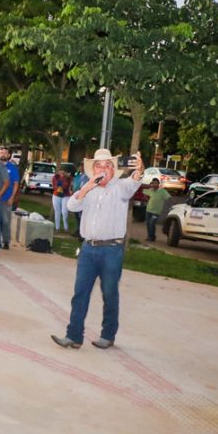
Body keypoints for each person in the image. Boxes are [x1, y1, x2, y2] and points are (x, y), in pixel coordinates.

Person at [51, 149, 144, 350]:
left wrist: (139, 169)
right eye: (99, 166)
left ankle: (108, 335)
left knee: (109, 293)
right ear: (93, 170)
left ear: (113, 169)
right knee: (80, 293)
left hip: (111, 250)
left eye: (107, 165)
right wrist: (86, 188)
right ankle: (73, 336)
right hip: (87, 250)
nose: (103, 169)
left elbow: (135, 180)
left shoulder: (121, 187)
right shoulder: (87, 189)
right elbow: (72, 206)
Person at [0, 146, 20, 250]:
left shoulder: (12, 167)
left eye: (5, 153)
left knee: (6, 221)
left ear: (8, 155)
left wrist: (12, 197)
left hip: (6, 199)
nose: (2, 154)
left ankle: (6, 241)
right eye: (1, 152)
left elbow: (16, 184)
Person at [51, 167, 73, 233]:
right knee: (57, 212)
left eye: (64, 172)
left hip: (66, 195)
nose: (62, 174)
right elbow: (54, 186)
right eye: (61, 172)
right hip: (56, 195)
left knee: (64, 212)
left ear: (66, 172)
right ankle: (57, 228)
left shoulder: (69, 178)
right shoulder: (55, 177)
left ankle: (66, 228)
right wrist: (58, 188)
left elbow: (70, 187)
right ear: (59, 171)